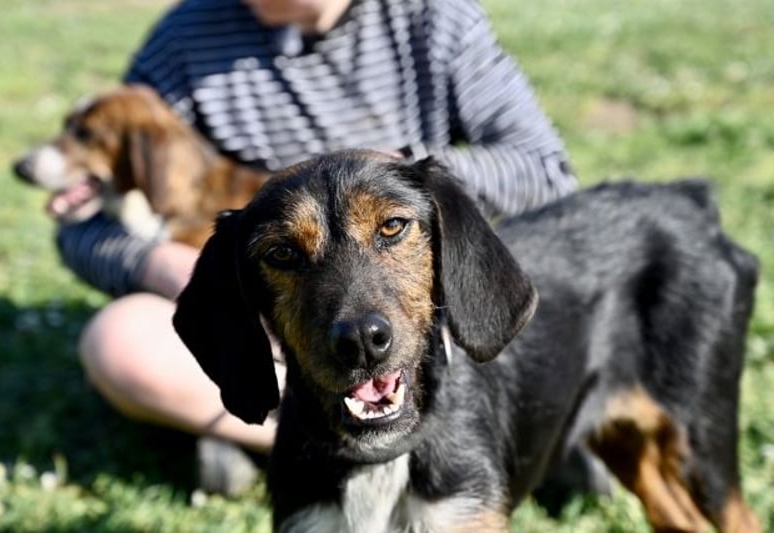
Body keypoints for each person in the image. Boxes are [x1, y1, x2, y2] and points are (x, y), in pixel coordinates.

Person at [55, 0, 578, 495]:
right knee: (118, 340)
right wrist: (162, 264)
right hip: (266, 323)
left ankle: (359, 434)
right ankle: (299, 433)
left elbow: (545, 170)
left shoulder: (432, 16)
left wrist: (403, 177)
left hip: (409, 324)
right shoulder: (187, 36)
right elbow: (79, 228)